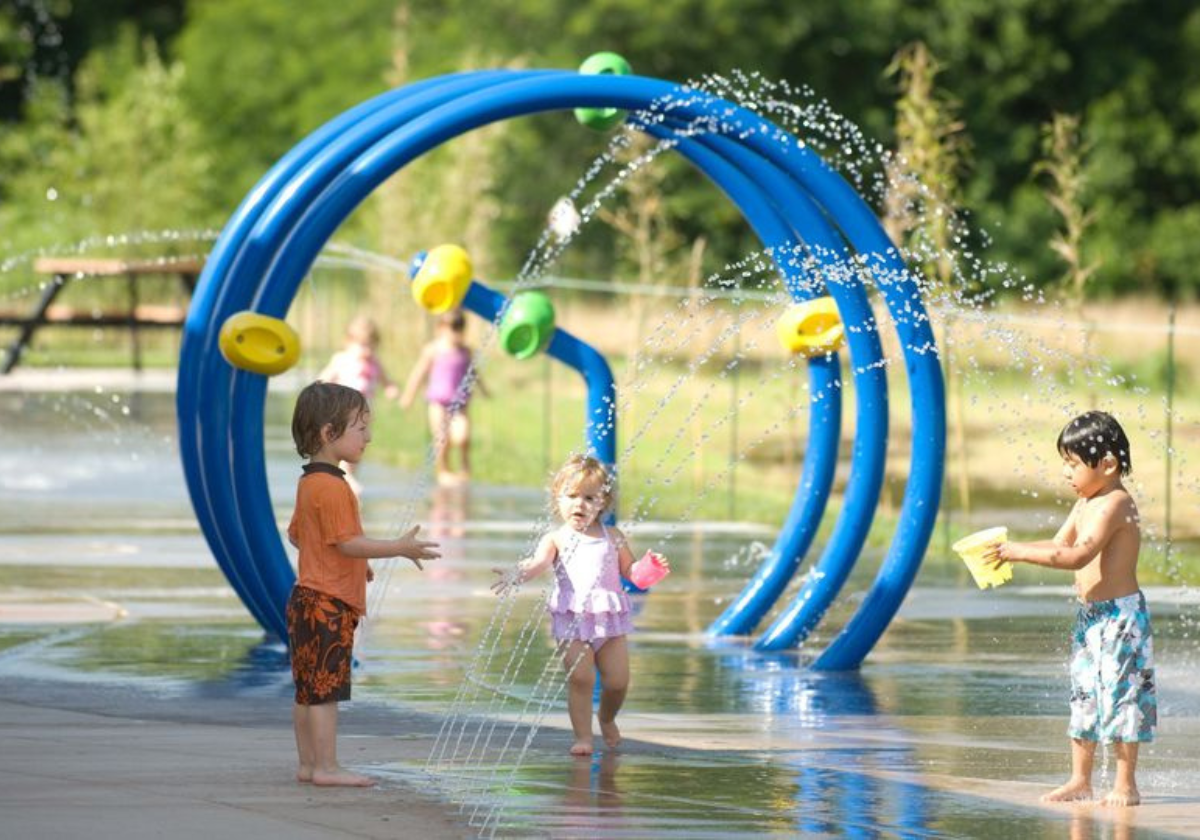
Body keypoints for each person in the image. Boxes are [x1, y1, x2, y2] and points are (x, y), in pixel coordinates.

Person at [989, 411, 1156, 807]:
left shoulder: (1115, 503)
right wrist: (1008, 552)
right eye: (1065, 463)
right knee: (1084, 697)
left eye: (1073, 463)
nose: (1067, 473)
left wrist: (1021, 553)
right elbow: (1058, 543)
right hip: (1091, 618)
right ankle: (1080, 779)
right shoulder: (1086, 502)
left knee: (1122, 697)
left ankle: (1125, 784)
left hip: (1120, 619)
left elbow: (1079, 555)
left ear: (1109, 464)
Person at [286, 381, 440, 787]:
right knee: (326, 693)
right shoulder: (335, 487)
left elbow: (300, 536)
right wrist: (397, 547)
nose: (369, 437)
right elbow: (348, 542)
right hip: (329, 604)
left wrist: (353, 563)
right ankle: (327, 768)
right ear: (328, 433)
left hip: (305, 598)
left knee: (307, 690)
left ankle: (308, 764)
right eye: (360, 428)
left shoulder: (309, 483)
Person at [492, 454, 667, 756]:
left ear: (603, 502)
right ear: (557, 498)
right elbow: (537, 564)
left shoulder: (613, 537)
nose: (580, 504)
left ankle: (607, 717)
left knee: (617, 681)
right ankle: (583, 737)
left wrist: (649, 568)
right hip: (572, 621)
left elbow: (631, 573)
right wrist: (517, 573)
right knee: (581, 678)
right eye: (571, 496)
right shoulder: (556, 539)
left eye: (589, 497)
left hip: (609, 621)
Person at [400, 309, 486, 484]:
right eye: (452, 328)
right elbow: (419, 373)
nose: (456, 333)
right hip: (437, 402)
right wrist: (408, 396)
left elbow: (474, 373)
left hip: (460, 403)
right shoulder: (433, 350)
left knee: (463, 436)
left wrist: (484, 389)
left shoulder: (465, 351)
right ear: (440, 328)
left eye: (459, 328)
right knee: (441, 439)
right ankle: (443, 472)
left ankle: (464, 465)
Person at [318, 316, 402, 490]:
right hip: (343, 411)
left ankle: (347, 476)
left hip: (365, 415)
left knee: (358, 447)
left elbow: (385, 380)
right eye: (363, 345)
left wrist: (390, 389)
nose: (367, 351)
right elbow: (325, 377)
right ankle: (345, 476)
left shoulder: (374, 363)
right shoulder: (342, 359)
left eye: (372, 346)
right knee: (345, 443)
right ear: (348, 342)